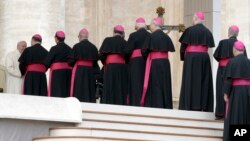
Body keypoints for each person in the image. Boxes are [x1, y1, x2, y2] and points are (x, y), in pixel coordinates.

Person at [179, 11, 215, 112]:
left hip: (191, 59)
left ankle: (188, 105)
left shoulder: (189, 30)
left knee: (190, 80)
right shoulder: (208, 32)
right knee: (204, 81)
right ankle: (203, 106)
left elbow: (183, 47)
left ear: (195, 19)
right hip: (204, 58)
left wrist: (183, 58)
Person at [213, 25, 247, 119]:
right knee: (233, 91)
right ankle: (231, 114)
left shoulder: (223, 42)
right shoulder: (241, 45)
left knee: (221, 91)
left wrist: (224, 62)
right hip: (235, 72)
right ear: (237, 34)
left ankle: (220, 114)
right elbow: (244, 58)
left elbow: (216, 55)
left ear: (229, 33)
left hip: (223, 71)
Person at [141, 17, 175, 108]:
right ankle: (165, 105)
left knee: (155, 84)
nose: (150, 26)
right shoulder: (166, 37)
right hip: (165, 63)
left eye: (151, 24)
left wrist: (147, 57)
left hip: (154, 63)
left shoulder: (151, 36)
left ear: (155, 25)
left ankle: (156, 105)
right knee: (164, 84)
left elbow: (144, 51)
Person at [223, 41, 250, 141]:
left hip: (236, 92)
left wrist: (226, 93)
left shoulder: (232, 62)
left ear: (234, 50)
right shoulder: (249, 62)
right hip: (248, 92)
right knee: (246, 115)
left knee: (236, 114)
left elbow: (228, 79)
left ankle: (235, 137)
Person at [68, 28, 100, 102]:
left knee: (79, 89)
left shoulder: (76, 46)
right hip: (90, 73)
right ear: (87, 36)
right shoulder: (93, 47)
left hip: (79, 72)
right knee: (89, 89)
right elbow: (95, 63)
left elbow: (70, 61)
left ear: (80, 36)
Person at [99, 25, 128, 105]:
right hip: (122, 69)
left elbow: (101, 55)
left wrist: (106, 62)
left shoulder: (107, 40)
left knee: (109, 86)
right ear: (122, 33)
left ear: (114, 32)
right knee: (120, 87)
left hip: (110, 68)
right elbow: (128, 57)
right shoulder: (125, 42)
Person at [126, 17, 150, 106]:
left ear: (137, 25)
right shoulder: (149, 35)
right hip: (146, 61)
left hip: (135, 63)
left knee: (135, 83)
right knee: (144, 81)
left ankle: (135, 102)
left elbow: (128, 50)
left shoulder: (133, 35)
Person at [44, 31, 72, 97]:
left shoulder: (54, 48)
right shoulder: (70, 49)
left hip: (57, 74)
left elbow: (47, 62)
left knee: (57, 92)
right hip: (68, 73)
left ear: (56, 38)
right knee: (66, 91)